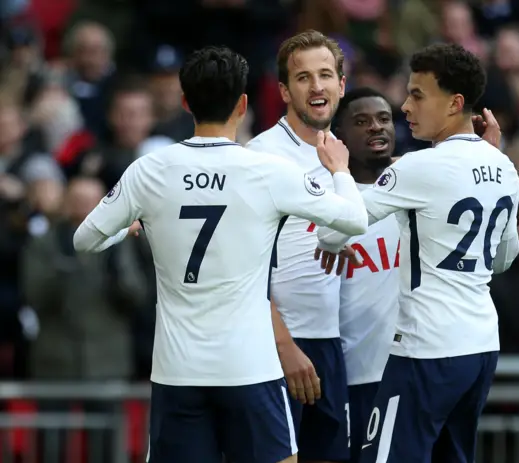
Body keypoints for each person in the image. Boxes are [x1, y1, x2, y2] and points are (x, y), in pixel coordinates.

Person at [72, 45, 369, 463]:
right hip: (250, 367)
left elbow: (84, 239)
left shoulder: (150, 170)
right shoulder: (265, 170)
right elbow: (354, 220)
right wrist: (339, 169)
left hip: (178, 371)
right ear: (243, 104)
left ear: (185, 102)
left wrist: (128, 226)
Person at [316, 43, 519, 463]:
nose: (406, 106)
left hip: (425, 349)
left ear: (455, 103)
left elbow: (332, 232)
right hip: (481, 347)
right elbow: (503, 258)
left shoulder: (417, 167)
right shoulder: (504, 165)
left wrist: (339, 172)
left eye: (418, 95)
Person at [246, 30, 351, 463]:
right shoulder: (259, 158)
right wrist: (283, 344)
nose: (317, 86)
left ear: (342, 86)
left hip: (331, 342)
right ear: (285, 91)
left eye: (326, 75)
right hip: (276, 347)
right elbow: (241, 268)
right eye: (303, 77)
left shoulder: (343, 156)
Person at [330, 87, 400, 463]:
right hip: (353, 376)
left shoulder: (414, 189)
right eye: (362, 121)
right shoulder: (326, 202)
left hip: (409, 370)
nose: (376, 127)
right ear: (339, 136)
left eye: (384, 118)